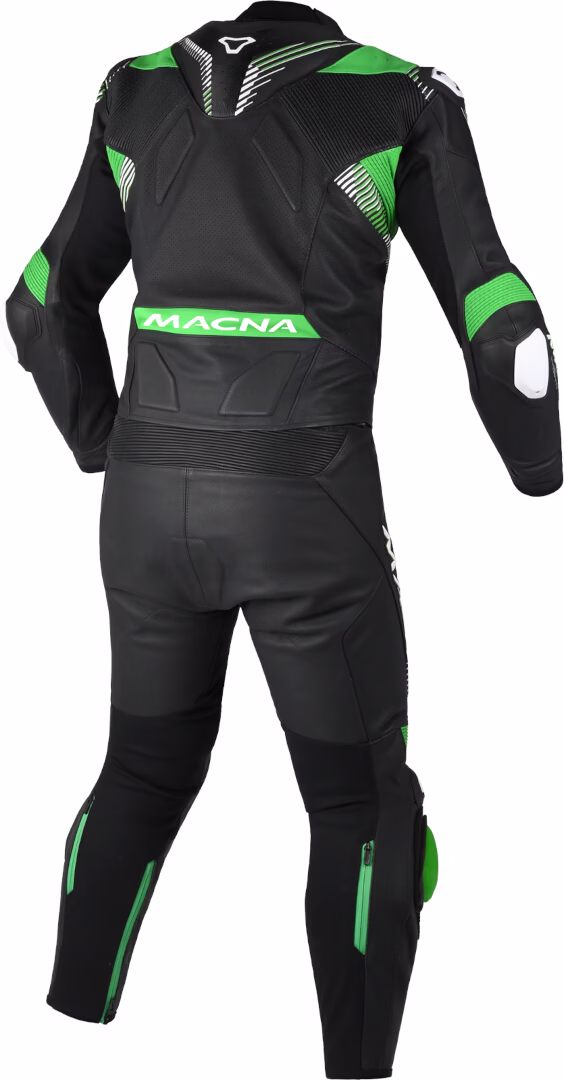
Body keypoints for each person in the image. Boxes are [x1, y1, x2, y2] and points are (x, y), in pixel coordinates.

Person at [6, 3, 561, 1076]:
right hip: (307, 502)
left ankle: (64, 1031)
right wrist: (540, 472)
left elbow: (38, 306)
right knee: (362, 806)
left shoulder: (134, 88)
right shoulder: (399, 97)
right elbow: (507, 336)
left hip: (146, 504)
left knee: (143, 769)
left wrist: (103, 445)